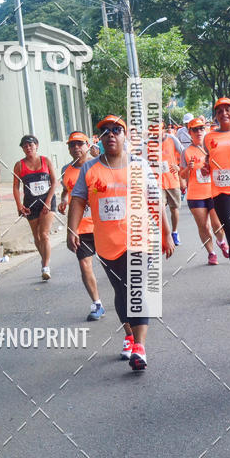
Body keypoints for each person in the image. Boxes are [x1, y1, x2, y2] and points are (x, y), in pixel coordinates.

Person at [68, 115, 174, 372]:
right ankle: (129, 334)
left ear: (125, 135)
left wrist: (166, 233)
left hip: (140, 238)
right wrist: (72, 228)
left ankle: (140, 346)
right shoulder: (89, 169)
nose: (111, 134)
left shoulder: (139, 165)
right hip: (107, 243)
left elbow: (155, 200)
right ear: (100, 139)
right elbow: (79, 199)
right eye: (105, 131)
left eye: (117, 130)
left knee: (136, 287)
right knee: (121, 291)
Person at [58, 132, 105, 321]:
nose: (75, 148)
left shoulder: (101, 164)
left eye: (79, 144)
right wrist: (63, 200)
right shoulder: (65, 169)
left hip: (103, 225)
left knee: (114, 266)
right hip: (81, 228)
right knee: (85, 264)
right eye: (72, 145)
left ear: (88, 145)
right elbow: (65, 190)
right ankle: (97, 304)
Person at [179, 118, 229, 265]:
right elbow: (182, 175)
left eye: (201, 128)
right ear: (190, 132)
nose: (199, 132)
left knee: (218, 224)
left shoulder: (211, 146)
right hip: (196, 195)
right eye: (195, 129)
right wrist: (189, 167)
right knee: (204, 226)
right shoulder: (186, 152)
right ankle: (211, 253)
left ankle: (221, 242)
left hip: (214, 192)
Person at [13, 135, 57, 281]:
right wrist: (19, 205)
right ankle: (44, 258)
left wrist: (49, 201)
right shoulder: (19, 165)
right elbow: (15, 186)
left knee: (44, 234)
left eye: (31, 145)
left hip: (47, 200)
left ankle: (45, 266)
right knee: (36, 235)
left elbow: (55, 182)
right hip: (30, 203)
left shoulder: (46, 161)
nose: (28, 148)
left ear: (36, 145)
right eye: (25, 146)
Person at [202, 97, 230, 291]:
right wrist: (207, 168)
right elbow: (209, 159)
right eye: (219, 111)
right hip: (222, 193)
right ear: (215, 115)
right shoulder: (209, 137)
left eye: (228, 109)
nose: (224, 113)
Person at [161, 124, 183, 245]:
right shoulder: (148, 143)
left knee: (174, 209)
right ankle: (165, 233)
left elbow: (184, 153)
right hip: (157, 182)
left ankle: (174, 232)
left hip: (172, 180)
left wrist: (179, 167)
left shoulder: (172, 139)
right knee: (160, 209)